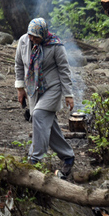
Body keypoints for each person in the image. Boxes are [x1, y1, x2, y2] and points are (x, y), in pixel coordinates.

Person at [14, 18, 76, 179]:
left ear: (44, 34)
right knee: (48, 123)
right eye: (30, 36)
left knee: (39, 115)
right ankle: (68, 155)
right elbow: (19, 64)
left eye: (36, 37)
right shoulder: (23, 42)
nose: (33, 39)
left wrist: (68, 94)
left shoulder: (55, 45)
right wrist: (20, 88)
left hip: (52, 88)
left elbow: (64, 70)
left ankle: (34, 158)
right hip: (33, 88)